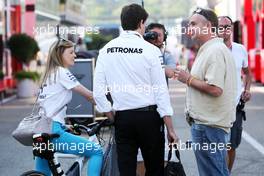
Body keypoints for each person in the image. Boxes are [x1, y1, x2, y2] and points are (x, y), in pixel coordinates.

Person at [93, 4, 178, 176]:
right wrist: (170, 128)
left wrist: (110, 114)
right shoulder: (151, 50)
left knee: (126, 171)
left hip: (123, 118)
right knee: (154, 170)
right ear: (141, 23)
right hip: (150, 118)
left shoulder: (106, 50)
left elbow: (98, 92)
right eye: (145, 24)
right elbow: (161, 91)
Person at [175, 8, 237, 176]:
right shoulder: (210, 49)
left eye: (194, 24)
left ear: (208, 25)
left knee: (213, 173)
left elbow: (216, 89)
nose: (189, 28)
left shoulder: (214, 50)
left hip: (209, 126)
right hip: (209, 126)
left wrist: (187, 79)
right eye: (189, 24)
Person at [35, 38, 103, 176]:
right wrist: (111, 109)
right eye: (71, 52)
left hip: (40, 131)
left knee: (41, 173)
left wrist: (64, 125)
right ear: (60, 54)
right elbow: (89, 96)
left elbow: (48, 105)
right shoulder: (61, 72)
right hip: (53, 133)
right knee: (96, 150)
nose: (75, 55)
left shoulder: (49, 74)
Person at [218, 16, 252, 172]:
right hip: (216, 105)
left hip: (236, 106)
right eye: (221, 26)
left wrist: (247, 89)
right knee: (218, 146)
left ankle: (227, 173)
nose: (224, 29)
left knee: (231, 145)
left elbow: (247, 72)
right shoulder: (211, 49)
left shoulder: (240, 49)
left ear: (231, 28)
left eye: (227, 26)